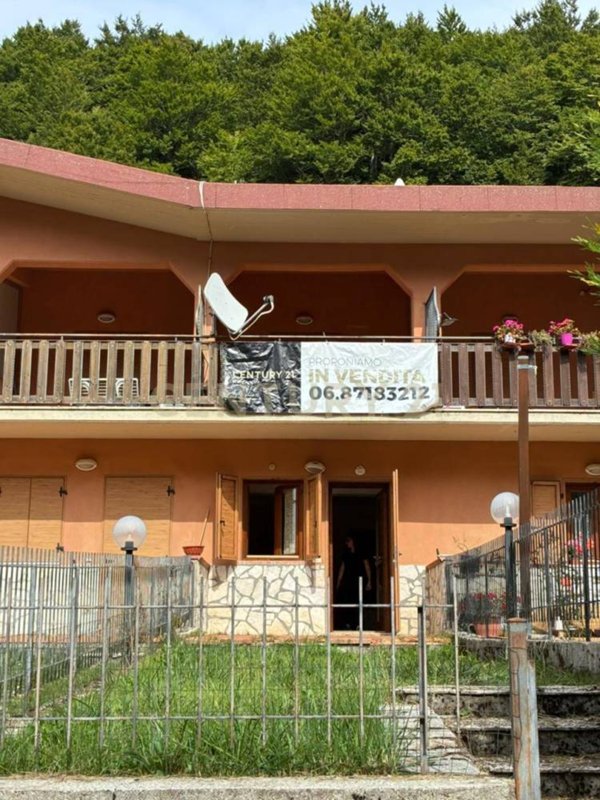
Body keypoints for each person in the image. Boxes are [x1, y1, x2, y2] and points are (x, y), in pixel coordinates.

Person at [336, 536, 372, 629]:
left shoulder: (362, 553)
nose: (347, 543)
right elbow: (342, 568)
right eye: (346, 541)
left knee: (359, 601)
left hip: (359, 581)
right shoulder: (345, 554)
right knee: (348, 601)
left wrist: (369, 581)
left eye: (348, 541)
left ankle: (358, 623)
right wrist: (338, 582)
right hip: (348, 581)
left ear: (353, 542)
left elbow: (367, 566)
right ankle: (349, 623)